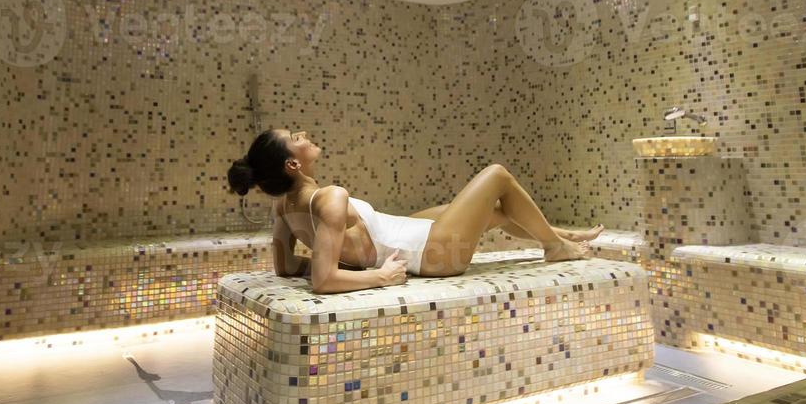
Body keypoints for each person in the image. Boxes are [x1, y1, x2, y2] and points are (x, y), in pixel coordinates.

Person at [226, 128, 597, 294]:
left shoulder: (285, 206)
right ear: (293, 164)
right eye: (295, 138)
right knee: (497, 177)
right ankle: (554, 246)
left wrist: (346, 260)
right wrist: (378, 276)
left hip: (404, 232)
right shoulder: (329, 198)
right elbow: (324, 281)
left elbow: (287, 266)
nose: (303, 134)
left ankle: (561, 237)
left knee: (496, 211)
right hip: (428, 253)